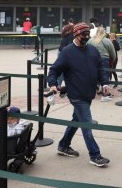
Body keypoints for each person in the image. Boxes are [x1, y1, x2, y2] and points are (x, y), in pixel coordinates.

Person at [47, 22, 110, 167]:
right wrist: (52, 84)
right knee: (86, 124)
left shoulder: (93, 50)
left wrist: (105, 83)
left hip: (89, 93)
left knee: (77, 120)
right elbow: (54, 70)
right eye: (84, 35)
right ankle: (95, 155)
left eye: (88, 34)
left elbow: (100, 68)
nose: (87, 37)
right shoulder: (67, 52)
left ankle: (63, 146)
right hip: (76, 94)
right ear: (76, 34)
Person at [87, 26, 117, 102]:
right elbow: (113, 53)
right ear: (104, 33)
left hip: (92, 59)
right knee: (105, 76)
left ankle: (98, 89)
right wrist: (113, 60)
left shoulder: (90, 40)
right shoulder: (107, 41)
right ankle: (105, 94)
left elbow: (86, 50)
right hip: (104, 59)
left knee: (95, 75)